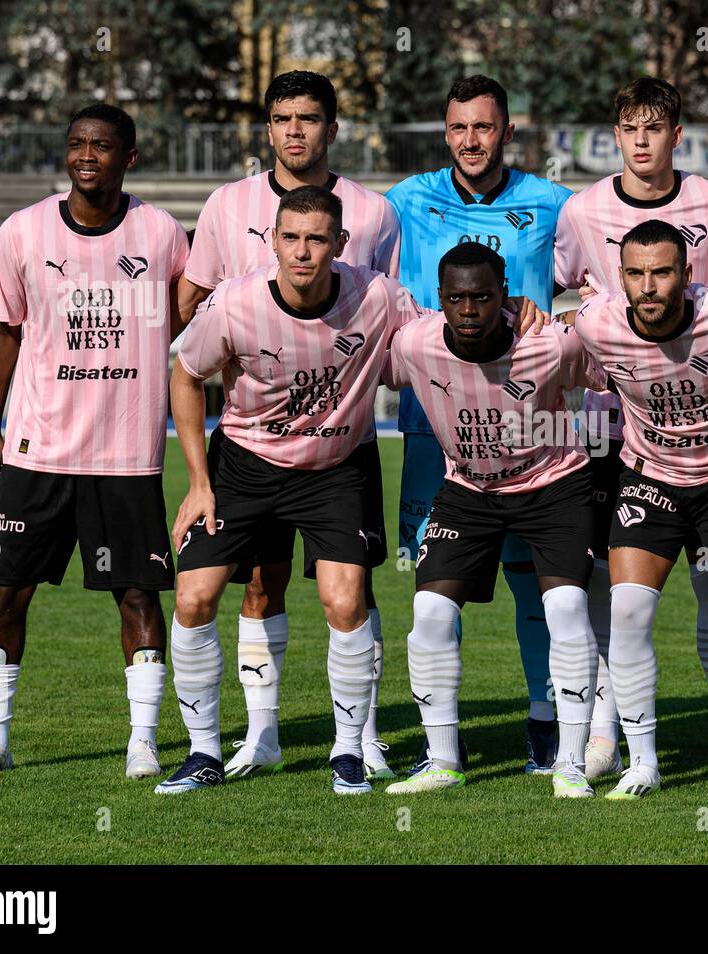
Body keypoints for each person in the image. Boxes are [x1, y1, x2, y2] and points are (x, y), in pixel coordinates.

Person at [0, 104, 189, 781]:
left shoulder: (162, 233)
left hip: (127, 453)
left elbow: (192, 323)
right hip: (38, 448)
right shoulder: (21, 232)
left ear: (128, 157)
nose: (88, 155)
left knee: (139, 595)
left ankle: (143, 741)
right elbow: (5, 333)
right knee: (5, 594)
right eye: (77, 143)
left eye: (103, 145)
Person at [156, 186, 420, 795]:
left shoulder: (376, 296)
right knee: (195, 597)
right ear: (273, 241)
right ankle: (202, 753)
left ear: (340, 244)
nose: (303, 252)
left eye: (317, 239)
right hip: (245, 465)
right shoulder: (235, 302)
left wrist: (520, 313)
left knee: (345, 601)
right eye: (292, 238)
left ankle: (349, 750)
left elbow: (436, 338)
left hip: (336, 465)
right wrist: (199, 482)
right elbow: (187, 375)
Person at [566, 219, 708, 802]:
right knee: (626, 612)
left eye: (663, 272)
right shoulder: (597, 323)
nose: (650, 286)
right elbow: (576, 364)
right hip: (651, 481)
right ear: (621, 278)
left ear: (688, 275)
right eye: (637, 274)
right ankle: (642, 763)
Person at [553, 77, 708, 783]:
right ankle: (607, 729)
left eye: (654, 128)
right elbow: (561, 293)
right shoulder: (582, 209)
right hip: (609, 419)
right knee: (611, 579)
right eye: (629, 128)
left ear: (676, 135)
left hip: (705, 420)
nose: (641, 141)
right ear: (616, 134)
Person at [385, 75, 574, 774]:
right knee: (436, 579)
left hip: (534, 430)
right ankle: (443, 738)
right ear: (445, 130)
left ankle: (545, 719)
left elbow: (601, 291)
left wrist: (554, 316)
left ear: (507, 132)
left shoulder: (554, 204)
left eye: (484, 128)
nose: (471, 141)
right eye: (459, 127)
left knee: (537, 577)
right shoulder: (401, 204)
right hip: (435, 423)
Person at [380, 243, 604, 798]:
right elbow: (366, 367)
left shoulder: (550, 342)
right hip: (469, 489)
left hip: (553, 483)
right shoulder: (415, 344)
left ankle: (571, 763)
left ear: (504, 294)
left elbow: (611, 369)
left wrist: (583, 313)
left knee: (566, 605)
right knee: (429, 610)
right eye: (456, 298)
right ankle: (442, 760)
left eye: (482, 296)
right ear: (441, 299)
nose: (469, 309)